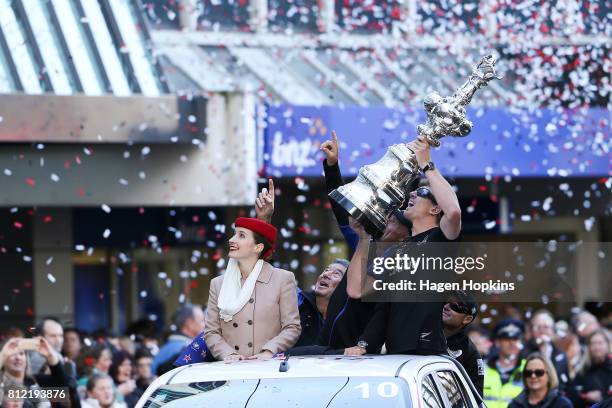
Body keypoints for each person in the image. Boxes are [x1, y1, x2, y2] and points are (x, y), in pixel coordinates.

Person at [345, 136, 462, 357]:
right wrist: (363, 238)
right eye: (414, 191)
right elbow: (356, 290)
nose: (413, 193)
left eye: (423, 193)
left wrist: (427, 164)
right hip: (395, 353)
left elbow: (454, 211)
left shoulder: (441, 240)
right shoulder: (396, 251)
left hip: (427, 352)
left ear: (436, 209)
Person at [204, 217, 301, 361]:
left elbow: (292, 327)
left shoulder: (282, 278)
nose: (232, 239)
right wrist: (228, 354)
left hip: (268, 365)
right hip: (231, 368)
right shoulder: (217, 284)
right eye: (234, 234)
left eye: (241, 235)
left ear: (258, 247)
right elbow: (211, 332)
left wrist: (269, 351)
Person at [0, 336, 73, 407]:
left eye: (21, 353)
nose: (18, 358)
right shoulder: (1, 384)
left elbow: (63, 386)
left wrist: (50, 355)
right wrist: (2, 356)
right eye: (12, 354)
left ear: (26, 358)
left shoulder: (35, 381)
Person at [294, 259, 349, 347]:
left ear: (346, 286)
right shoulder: (297, 301)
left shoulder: (347, 317)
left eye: (336, 274)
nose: (326, 274)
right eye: (326, 270)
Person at [443, 290, 485, 396]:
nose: (447, 306)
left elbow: (475, 397)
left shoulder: (470, 353)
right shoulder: (421, 333)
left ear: (467, 319)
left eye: (455, 305)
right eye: (445, 301)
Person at [484, 319, 527, 408]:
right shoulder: (482, 368)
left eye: (515, 339)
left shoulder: (529, 369)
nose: (511, 343)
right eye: (506, 338)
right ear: (497, 342)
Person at [151, 304, 206, 375]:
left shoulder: (168, 347)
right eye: (202, 320)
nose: (205, 325)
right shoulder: (187, 349)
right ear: (190, 323)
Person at [524, 310, 570, 392]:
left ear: (553, 330)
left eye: (546, 327)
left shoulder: (561, 355)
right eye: (537, 327)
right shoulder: (524, 353)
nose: (542, 331)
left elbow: (565, 383)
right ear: (531, 331)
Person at [570, 329, 611, 407]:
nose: (596, 347)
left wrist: (603, 395)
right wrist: (586, 397)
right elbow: (572, 394)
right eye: (593, 343)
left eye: (600, 343)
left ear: (607, 344)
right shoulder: (583, 370)